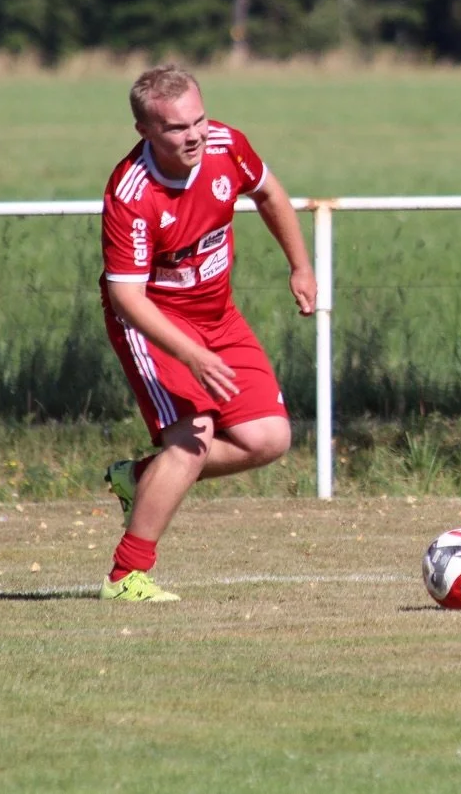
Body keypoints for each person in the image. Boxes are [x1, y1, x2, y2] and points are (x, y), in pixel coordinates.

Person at [98, 65, 316, 602]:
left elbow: (269, 194)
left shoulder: (226, 144)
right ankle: (126, 577)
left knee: (269, 438)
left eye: (198, 119)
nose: (194, 133)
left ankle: (143, 476)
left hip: (218, 315)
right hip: (153, 323)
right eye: (176, 128)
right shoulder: (131, 194)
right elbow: (127, 297)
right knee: (192, 441)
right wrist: (191, 355)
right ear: (145, 131)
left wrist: (300, 266)